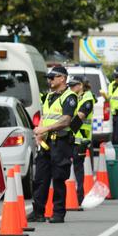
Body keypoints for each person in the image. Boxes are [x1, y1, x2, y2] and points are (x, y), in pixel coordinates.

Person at [29, 66, 77, 224]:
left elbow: (66, 120)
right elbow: (45, 116)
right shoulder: (49, 96)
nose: (49, 80)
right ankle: (38, 212)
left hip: (61, 142)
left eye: (53, 77)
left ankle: (58, 213)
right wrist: (39, 133)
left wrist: (45, 129)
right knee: (40, 178)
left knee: (58, 178)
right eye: (49, 78)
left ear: (62, 78)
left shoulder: (70, 97)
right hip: (45, 142)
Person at [68, 76, 96, 204]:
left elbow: (79, 117)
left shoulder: (88, 98)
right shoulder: (75, 97)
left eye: (73, 85)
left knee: (78, 168)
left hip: (82, 139)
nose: (71, 88)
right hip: (72, 137)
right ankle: (71, 194)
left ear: (80, 85)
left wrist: (64, 122)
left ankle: (79, 196)